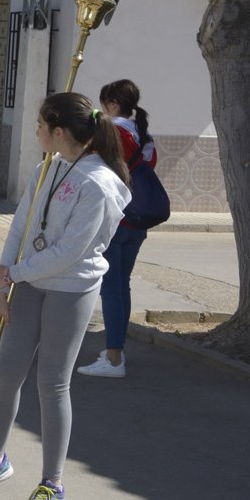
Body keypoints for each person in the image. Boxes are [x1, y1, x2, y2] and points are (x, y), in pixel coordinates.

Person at [0, 92, 130, 500]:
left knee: (52, 383)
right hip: (29, 283)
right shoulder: (46, 168)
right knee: (6, 371)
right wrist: (2, 286)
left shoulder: (98, 183)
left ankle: (52, 482)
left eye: (40, 126)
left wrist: (12, 274)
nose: (36, 132)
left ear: (59, 131)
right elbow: (20, 229)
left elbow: (70, 252)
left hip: (71, 289)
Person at [78, 79, 155, 379]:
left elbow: (96, 167)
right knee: (122, 285)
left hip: (115, 218)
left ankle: (113, 359)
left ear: (111, 103)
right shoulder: (144, 134)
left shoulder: (111, 132)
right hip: (138, 218)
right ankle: (116, 351)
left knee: (110, 288)